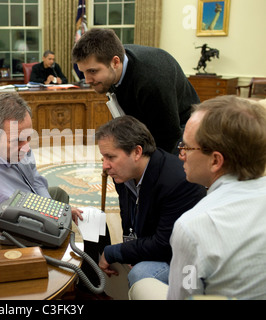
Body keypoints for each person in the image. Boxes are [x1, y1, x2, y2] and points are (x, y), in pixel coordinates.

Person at [168, 96, 266, 300]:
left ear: (215, 160)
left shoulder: (193, 226)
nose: (181, 154)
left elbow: (182, 296)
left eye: (187, 147)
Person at [91, 115, 206, 289]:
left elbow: (165, 245)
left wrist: (117, 252)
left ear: (137, 152)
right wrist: (131, 251)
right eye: (103, 158)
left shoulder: (177, 182)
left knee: (142, 273)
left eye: (111, 157)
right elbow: (128, 215)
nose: (105, 166)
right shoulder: (124, 174)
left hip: (187, 260)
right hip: (162, 246)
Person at [71, 28, 200, 154]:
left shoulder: (151, 80)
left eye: (92, 71)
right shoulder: (110, 62)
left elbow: (168, 140)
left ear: (115, 62)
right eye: (83, 72)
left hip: (185, 131)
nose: (87, 80)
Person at [0, 93, 81, 215]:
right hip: (11, 218)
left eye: (28, 137)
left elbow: (34, 178)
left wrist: (52, 208)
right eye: (16, 141)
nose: (26, 149)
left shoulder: (6, 133)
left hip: (26, 197)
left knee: (60, 194)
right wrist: (53, 214)